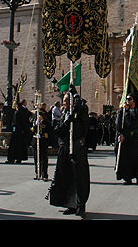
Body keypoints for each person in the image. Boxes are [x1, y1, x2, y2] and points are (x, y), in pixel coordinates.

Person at [47, 89, 90, 218]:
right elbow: (57, 131)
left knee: (79, 176)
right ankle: (69, 204)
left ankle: (80, 204)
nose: (63, 103)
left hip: (77, 147)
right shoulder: (64, 114)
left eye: (66, 101)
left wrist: (76, 95)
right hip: (65, 147)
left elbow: (83, 114)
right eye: (63, 101)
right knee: (66, 176)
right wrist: (66, 123)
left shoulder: (80, 111)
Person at [115, 94, 138, 185]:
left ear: (134, 100)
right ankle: (127, 178)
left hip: (135, 138)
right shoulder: (122, 111)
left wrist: (129, 110)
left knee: (136, 158)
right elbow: (118, 123)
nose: (127, 100)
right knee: (126, 159)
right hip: (126, 138)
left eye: (129, 99)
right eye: (127, 99)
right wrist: (120, 133)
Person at [7, 99, 32, 164]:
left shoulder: (22, 111)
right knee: (18, 145)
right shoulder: (20, 112)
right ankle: (17, 158)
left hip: (19, 130)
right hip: (20, 130)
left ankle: (16, 158)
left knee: (17, 145)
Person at [34, 109, 52, 181]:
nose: (38, 116)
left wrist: (43, 135)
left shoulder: (46, 123)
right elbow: (32, 130)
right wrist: (35, 125)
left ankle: (44, 174)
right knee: (36, 158)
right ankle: (37, 173)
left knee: (43, 158)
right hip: (36, 142)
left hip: (43, 142)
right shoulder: (35, 122)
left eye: (40, 115)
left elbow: (49, 131)